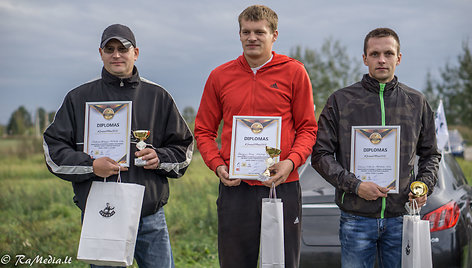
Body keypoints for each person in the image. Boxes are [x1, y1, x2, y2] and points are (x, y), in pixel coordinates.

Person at [43, 24, 194, 268]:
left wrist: (160, 157)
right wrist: (92, 166)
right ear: (100, 53)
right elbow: (53, 150)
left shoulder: (158, 96)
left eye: (123, 49)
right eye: (110, 49)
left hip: (149, 214)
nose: (116, 55)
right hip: (101, 213)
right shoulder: (78, 97)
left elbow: (183, 147)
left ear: (135, 52)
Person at [194, 5, 317, 268]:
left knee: (282, 263)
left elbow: (308, 128)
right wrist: (217, 165)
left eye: (259, 32)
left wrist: (291, 162)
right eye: (246, 32)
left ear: (274, 35)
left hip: (282, 184)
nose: (252, 37)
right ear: (239, 35)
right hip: (236, 188)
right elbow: (203, 130)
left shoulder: (294, 72)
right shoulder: (220, 76)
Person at [311, 27, 441, 268]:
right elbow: (320, 155)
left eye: (389, 53)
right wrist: (356, 186)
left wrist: (423, 186)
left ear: (399, 58)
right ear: (365, 58)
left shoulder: (416, 101)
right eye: (375, 54)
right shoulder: (341, 100)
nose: (382, 59)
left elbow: (431, 154)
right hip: (356, 218)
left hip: (401, 217)